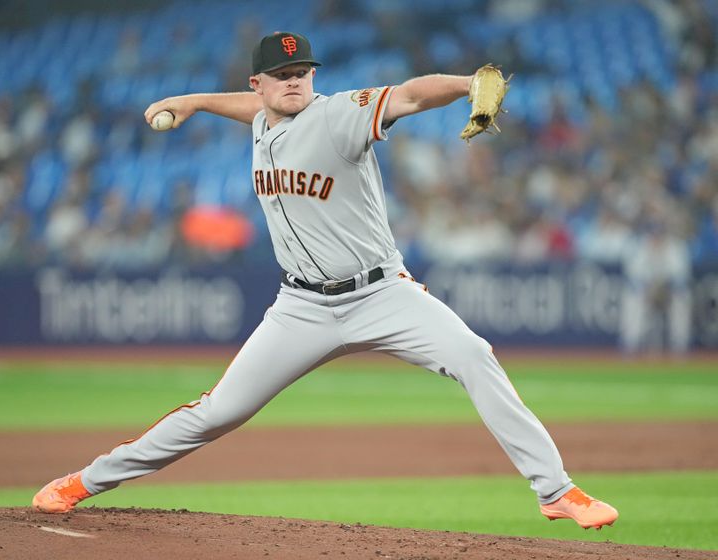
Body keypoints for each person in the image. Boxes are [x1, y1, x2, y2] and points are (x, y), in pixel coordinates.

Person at [33, 31, 618, 530]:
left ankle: (557, 492)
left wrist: (468, 83)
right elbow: (251, 107)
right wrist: (195, 101)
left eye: (302, 72)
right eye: (281, 74)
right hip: (301, 308)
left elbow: (410, 94)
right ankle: (85, 481)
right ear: (260, 84)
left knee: (472, 353)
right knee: (217, 413)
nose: (295, 82)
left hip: (381, 293)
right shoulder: (263, 119)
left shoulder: (338, 115)